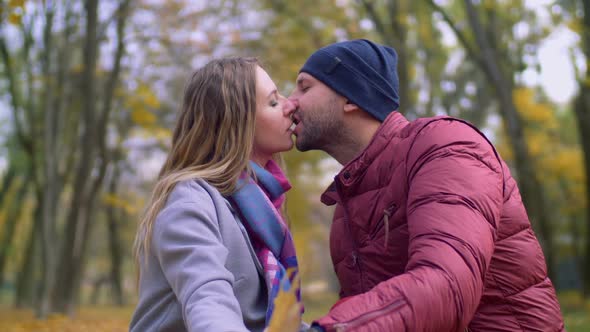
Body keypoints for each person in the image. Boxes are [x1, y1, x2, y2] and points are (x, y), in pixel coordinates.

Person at [287, 39, 564, 331]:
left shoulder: (445, 146)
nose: (290, 101)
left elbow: (446, 282)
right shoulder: (348, 202)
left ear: (351, 97)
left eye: (304, 87)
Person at [129, 57, 304, 332]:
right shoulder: (190, 202)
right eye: (272, 102)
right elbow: (208, 300)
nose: (290, 106)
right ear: (237, 122)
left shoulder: (260, 207)